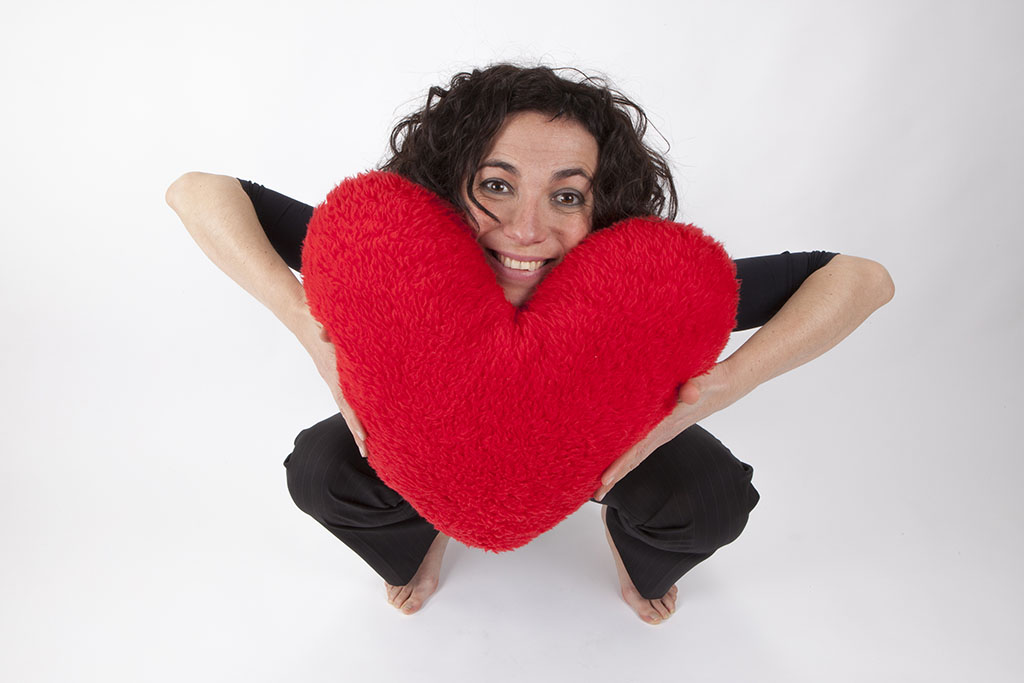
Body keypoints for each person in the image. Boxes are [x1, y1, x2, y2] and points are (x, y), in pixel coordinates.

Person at [165, 63, 894, 625]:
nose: (527, 228)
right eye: (497, 185)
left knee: (712, 502)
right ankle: (421, 533)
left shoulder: (632, 293)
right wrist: (305, 323)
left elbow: (861, 277)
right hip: (429, 430)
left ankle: (634, 552)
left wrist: (725, 384)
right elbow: (196, 190)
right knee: (320, 471)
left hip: (604, 441)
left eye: (567, 196)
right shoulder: (398, 258)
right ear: (451, 182)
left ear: (602, 205)